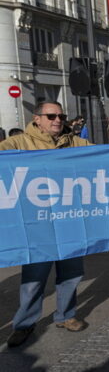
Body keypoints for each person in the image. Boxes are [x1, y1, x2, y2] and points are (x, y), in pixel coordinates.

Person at [0, 101, 91, 347]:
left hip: (70, 222)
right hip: (37, 226)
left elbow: (106, 156)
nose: (57, 120)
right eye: (51, 115)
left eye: (61, 115)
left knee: (72, 273)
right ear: (37, 118)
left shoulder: (74, 142)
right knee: (33, 279)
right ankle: (25, 324)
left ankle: (66, 315)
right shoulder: (19, 143)